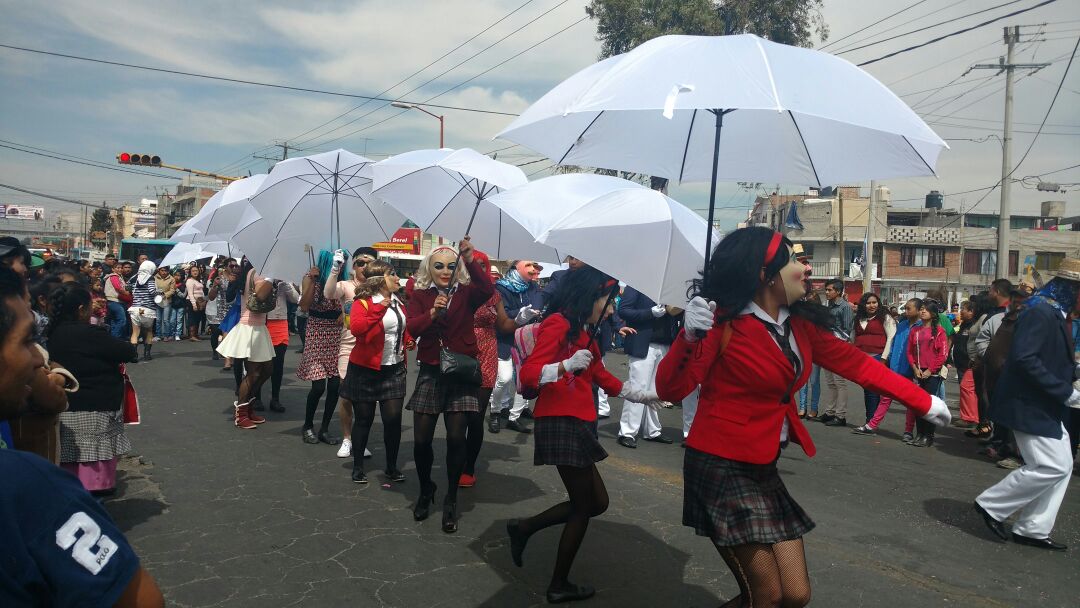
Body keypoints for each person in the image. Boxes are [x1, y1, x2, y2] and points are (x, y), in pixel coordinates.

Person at [655, 228, 950, 608]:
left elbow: (859, 365)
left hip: (763, 465)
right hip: (720, 465)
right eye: (794, 260)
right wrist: (689, 337)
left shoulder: (799, 324)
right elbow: (670, 390)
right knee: (766, 595)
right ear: (766, 274)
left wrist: (921, 401)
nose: (805, 268)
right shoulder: (719, 322)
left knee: (795, 595)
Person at [0, 265, 165, 608]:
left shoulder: (59, 333)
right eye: (27, 340)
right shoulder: (25, 483)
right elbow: (140, 599)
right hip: (91, 418)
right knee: (93, 470)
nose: (37, 359)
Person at [507, 267, 660, 604]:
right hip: (561, 420)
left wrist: (643, 394)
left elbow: (600, 374)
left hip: (578, 421)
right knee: (583, 505)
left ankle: (524, 528)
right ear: (590, 296)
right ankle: (558, 583)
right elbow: (531, 373)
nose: (610, 310)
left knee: (596, 503)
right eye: (607, 301)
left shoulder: (585, 329)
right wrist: (564, 366)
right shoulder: (559, 323)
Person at [974, 262, 1080, 552]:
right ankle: (992, 504)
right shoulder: (1041, 312)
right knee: (1051, 465)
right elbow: (1024, 359)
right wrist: (1066, 392)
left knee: (1062, 465)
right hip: (1028, 403)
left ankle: (1033, 528)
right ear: (1073, 290)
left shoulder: (1051, 311)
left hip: (1042, 403)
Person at [404, 238, 493, 533]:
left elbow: (488, 290)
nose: (445, 271)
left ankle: (451, 499)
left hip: (460, 373)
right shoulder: (420, 294)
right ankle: (426, 487)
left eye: (451, 266)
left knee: (457, 438)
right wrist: (431, 314)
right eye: (439, 266)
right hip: (431, 369)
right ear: (430, 268)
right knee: (421, 441)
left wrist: (468, 257)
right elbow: (412, 328)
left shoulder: (467, 293)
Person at [48, 282, 139, 494]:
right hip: (94, 407)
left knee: (70, 467)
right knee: (93, 475)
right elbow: (126, 351)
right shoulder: (90, 333)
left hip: (66, 409)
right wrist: (133, 337)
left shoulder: (52, 332)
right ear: (81, 309)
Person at [343, 259, 410, 485]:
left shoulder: (398, 302)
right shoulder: (362, 303)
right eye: (393, 274)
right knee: (364, 419)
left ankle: (391, 466)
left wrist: (408, 340)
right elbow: (358, 329)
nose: (397, 279)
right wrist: (379, 308)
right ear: (381, 279)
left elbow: (401, 328)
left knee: (393, 420)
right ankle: (358, 466)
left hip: (394, 368)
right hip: (365, 370)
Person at [324, 247, 380, 460]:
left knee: (367, 399)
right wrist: (334, 269)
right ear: (354, 266)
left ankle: (360, 439)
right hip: (349, 347)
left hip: (374, 347)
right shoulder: (346, 286)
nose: (364, 267)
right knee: (347, 396)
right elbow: (329, 294)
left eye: (369, 263)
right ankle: (347, 438)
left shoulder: (380, 289)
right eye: (360, 263)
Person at [216, 259, 276, 429]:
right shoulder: (257, 272)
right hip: (250, 326)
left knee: (267, 369)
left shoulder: (254, 271)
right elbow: (261, 294)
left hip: (258, 327)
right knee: (254, 373)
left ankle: (248, 406)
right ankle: (241, 414)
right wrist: (271, 278)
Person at [616, 286, 679, 448]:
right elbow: (623, 310)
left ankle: (652, 430)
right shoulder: (638, 284)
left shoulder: (671, 288)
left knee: (656, 389)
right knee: (637, 387)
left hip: (664, 343)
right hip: (643, 342)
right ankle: (627, 431)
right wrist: (649, 312)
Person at [489, 260, 544, 434]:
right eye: (529, 265)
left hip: (526, 339)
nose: (534, 269)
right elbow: (502, 316)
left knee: (526, 379)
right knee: (504, 378)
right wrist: (521, 314)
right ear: (515, 268)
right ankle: (495, 411)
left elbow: (537, 307)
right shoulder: (500, 288)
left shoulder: (533, 287)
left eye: (536, 267)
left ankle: (515, 415)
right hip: (504, 339)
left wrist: (529, 313)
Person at [463, 251, 502, 487]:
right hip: (461, 351)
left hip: (487, 352)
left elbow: (505, 323)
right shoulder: (456, 290)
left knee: (476, 416)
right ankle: (456, 458)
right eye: (471, 263)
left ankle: (469, 466)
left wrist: (523, 319)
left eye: (481, 264)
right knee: (458, 415)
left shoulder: (494, 294)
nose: (475, 268)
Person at [856, 298, 922, 438]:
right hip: (895, 367)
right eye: (905, 308)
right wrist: (888, 361)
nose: (906, 311)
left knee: (909, 401)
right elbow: (893, 344)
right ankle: (872, 425)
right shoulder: (902, 325)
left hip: (913, 370)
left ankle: (908, 431)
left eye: (909, 308)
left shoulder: (922, 327)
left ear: (919, 309)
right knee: (885, 397)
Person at [295, 262, 343, 445]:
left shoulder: (342, 279)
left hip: (337, 333)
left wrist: (345, 312)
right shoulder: (309, 278)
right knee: (318, 387)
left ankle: (324, 428)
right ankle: (307, 425)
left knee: (334, 386)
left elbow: (351, 302)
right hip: (316, 331)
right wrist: (314, 281)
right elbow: (304, 306)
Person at [907, 299, 949, 448]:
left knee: (930, 406)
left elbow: (942, 354)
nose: (923, 311)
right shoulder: (915, 331)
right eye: (922, 309)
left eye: (926, 309)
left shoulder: (939, 331)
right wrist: (915, 368)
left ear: (933, 313)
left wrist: (930, 370)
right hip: (918, 372)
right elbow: (910, 352)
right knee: (918, 406)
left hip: (933, 374)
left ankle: (928, 436)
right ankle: (919, 434)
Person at [851, 292, 896, 425]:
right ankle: (871, 420)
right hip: (861, 358)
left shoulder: (885, 318)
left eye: (874, 302)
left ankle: (870, 421)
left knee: (872, 390)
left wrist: (883, 359)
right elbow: (853, 337)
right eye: (868, 303)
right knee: (868, 390)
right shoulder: (858, 318)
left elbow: (891, 338)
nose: (872, 305)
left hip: (878, 357)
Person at [256, 276, 299, 413]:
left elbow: (296, 299)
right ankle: (256, 397)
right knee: (260, 362)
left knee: (278, 364)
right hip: (262, 321)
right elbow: (258, 296)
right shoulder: (261, 277)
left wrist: (285, 284)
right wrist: (269, 280)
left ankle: (275, 398)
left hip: (280, 322)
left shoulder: (285, 279)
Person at [816, 279, 854, 427]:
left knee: (840, 382)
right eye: (826, 290)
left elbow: (847, 330)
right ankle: (830, 412)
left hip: (838, 348)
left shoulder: (844, 307)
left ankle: (840, 415)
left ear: (838, 291)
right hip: (827, 348)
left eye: (829, 290)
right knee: (830, 383)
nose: (826, 292)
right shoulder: (828, 305)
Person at [952, 296, 987, 429]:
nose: (961, 312)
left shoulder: (975, 324)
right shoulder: (964, 324)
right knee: (965, 390)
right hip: (961, 363)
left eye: (964, 309)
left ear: (972, 311)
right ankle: (968, 415)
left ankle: (970, 417)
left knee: (968, 389)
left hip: (970, 363)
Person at [126, 260, 159, 362]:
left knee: (135, 332)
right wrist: (160, 292)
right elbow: (152, 291)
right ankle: (147, 354)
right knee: (148, 331)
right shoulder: (150, 278)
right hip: (147, 309)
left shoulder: (133, 277)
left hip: (135, 308)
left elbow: (127, 287)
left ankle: (134, 355)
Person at [206, 260, 235, 365]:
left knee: (231, 334)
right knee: (216, 332)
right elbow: (211, 297)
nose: (234, 267)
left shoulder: (237, 279)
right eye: (232, 265)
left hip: (234, 309)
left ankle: (229, 357)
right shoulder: (219, 280)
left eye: (236, 265)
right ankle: (216, 351)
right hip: (220, 309)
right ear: (226, 267)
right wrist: (214, 285)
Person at [102, 258, 131, 339]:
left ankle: (113, 337)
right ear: (113, 269)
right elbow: (118, 287)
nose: (119, 269)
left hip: (117, 301)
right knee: (122, 320)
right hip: (114, 301)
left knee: (115, 321)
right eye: (117, 268)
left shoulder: (119, 277)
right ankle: (115, 338)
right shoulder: (114, 276)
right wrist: (127, 293)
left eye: (120, 268)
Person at [153, 265, 175, 342]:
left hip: (167, 301)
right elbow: (153, 288)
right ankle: (158, 335)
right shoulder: (154, 277)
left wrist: (164, 295)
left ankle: (166, 335)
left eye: (165, 270)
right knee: (158, 319)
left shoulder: (171, 279)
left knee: (166, 320)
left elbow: (172, 290)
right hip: (157, 300)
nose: (164, 272)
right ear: (159, 270)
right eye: (162, 270)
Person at [185, 265, 206, 342]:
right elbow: (190, 294)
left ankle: (196, 334)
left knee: (198, 318)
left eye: (196, 270)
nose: (195, 272)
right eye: (193, 271)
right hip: (192, 301)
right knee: (192, 318)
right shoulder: (189, 281)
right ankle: (192, 335)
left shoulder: (198, 280)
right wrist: (194, 304)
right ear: (190, 272)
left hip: (200, 301)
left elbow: (202, 292)